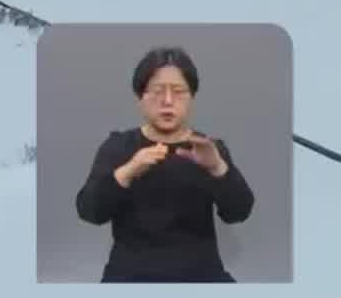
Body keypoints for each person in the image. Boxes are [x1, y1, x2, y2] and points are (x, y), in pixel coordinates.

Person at [75, 46, 254, 282]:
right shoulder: (119, 146)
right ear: (140, 98)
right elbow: (89, 211)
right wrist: (127, 171)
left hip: (201, 276)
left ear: (192, 97)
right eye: (157, 91)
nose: (168, 101)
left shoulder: (208, 149)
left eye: (179, 91)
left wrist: (217, 168)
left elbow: (239, 212)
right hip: (130, 276)